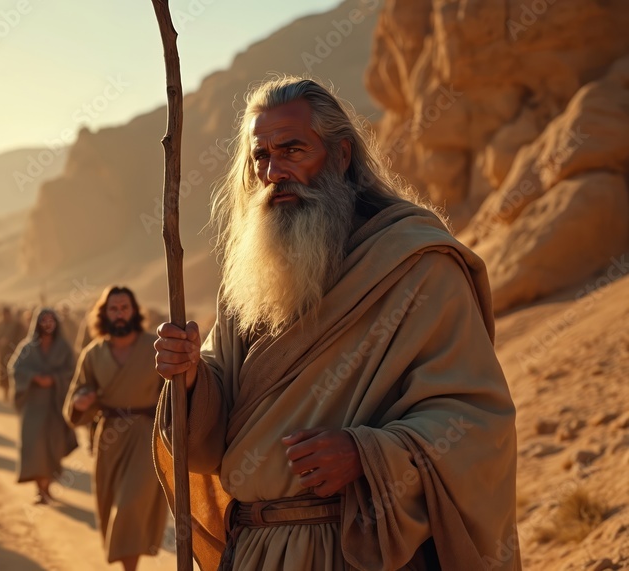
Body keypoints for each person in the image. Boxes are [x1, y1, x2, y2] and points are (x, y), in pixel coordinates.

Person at [153, 77, 519, 570]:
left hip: (359, 547)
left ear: (341, 155)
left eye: (292, 150)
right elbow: (210, 435)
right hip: (256, 552)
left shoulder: (416, 265)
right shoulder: (253, 274)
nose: (273, 171)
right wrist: (193, 376)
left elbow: (478, 422)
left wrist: (367, 454)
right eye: (260, 156)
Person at [64, 286, 168, 571]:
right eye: (113, 308)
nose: (119, 314)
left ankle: (129, 568)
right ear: (104, 313)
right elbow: (76, 396)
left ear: (133, 311)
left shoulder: (155, 347)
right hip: (109, 437)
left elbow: (173, 392)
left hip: (146, 436)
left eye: (124, 308)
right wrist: (82, 402)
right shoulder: (92, 354)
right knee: (110, 503)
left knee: (130, 502)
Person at [8, 308, 78, 504]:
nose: (47, 324)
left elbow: (73, 371)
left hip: (56, 404)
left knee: (52, 446)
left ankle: (47, 487)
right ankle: (40, 490)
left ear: (56, 323)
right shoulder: (27, 347)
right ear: (37, 323)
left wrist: (54, 379)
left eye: (51, 320)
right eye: (43, 320)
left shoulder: (63, 347)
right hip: (33, 405)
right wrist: (34, 378)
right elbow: (15, 368)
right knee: (35, 446)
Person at [0, 306, 26, 401]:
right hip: (1, 353)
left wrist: (10, 342)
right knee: (2, 373)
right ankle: (5, 393)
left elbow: (21, 338)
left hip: (13, 353)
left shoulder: (17, 325)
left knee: (14, 373)